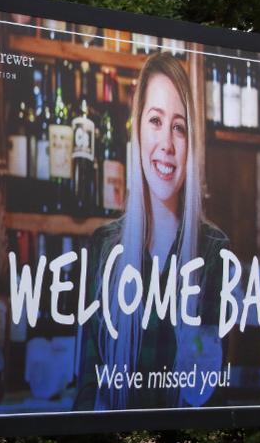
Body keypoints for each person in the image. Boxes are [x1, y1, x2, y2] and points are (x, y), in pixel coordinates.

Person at [74, 52, 229, 410]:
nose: (167, 144)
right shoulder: (103, 247)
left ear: (192, 144)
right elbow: (85, 390)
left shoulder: (213, 252)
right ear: (137, 131)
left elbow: (211, 396)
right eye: (156, 121)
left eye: (179, 127)